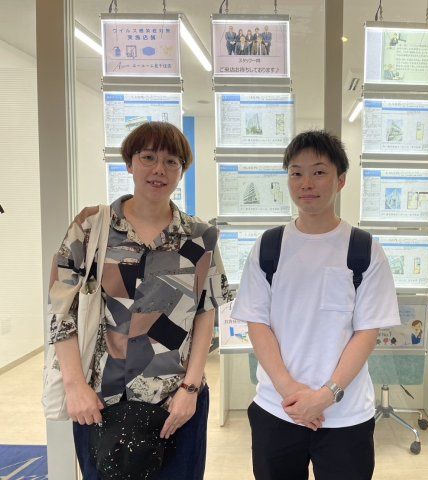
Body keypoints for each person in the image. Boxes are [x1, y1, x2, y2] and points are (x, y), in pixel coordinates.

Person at [48, 121, 230, 479]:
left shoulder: (199, 237)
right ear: (130, 163)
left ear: (181, 171)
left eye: (172, 161)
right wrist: (74, 385)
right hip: (100, 398)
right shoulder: (91, 227)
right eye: (148, 157)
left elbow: (205, 312)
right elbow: (60, 310)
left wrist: (191, 387)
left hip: (175, 401)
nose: (159, 169)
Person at [232, 130, 400, 480]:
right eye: (296, 173)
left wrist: (326, 395)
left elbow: (366, 333)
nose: (306, 183)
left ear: (341, 180)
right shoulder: (269, 246)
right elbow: (257, 324)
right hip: (278, 410)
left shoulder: (364, 249)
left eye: (319, 172)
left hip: (345, 415)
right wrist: (291, 391)